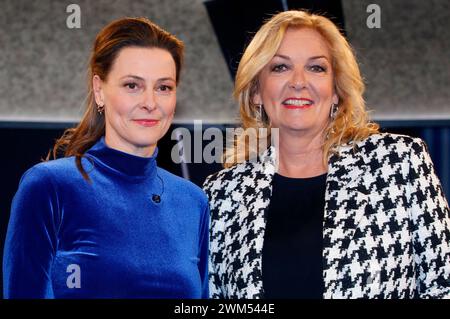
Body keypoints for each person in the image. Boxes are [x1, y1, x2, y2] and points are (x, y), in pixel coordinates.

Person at [203, 10, 450, 299]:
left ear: (336, 91)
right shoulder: (222, 195)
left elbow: (442, 286)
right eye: (280, 67)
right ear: (256, 91)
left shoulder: (400, 162)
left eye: (316, 68)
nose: (298, 81)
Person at [3, 17, 209, 299]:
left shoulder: (193, 201)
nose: (150, 103)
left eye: (164, 87)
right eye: (132, 86)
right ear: (100, 90)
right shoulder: (49, 187)